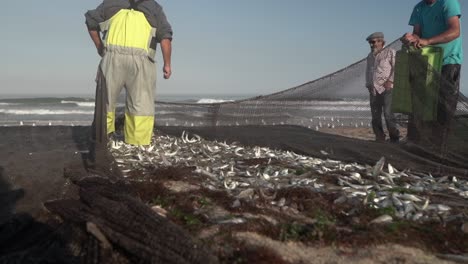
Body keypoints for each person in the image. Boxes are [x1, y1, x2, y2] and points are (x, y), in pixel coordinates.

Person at [85, 0, 173, 146]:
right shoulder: (154, 7)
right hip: (142, 62)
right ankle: (137, 144)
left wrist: (99, 47)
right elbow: (165, 38)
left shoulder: (110, 2)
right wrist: (167, 64)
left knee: (105, 102)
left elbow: (91, 22)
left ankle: (103, 141)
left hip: (113, 59)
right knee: (141, 106)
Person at [402, 0, 462, 152]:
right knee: (422, 104)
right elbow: (418, 33)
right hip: (427, 61)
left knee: (444, 107)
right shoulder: (418, 8)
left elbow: (455, 31)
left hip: (448, 61)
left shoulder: (448, 2)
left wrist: (427, 41)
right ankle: (421, 144)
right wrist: (412, 39)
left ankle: (441, 149)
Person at [365, 32, 400, 143]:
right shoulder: (370, 56)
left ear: (381, 42)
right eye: (370, 43)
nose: (372, 45)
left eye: (374, 42)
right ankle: (379, 137)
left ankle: (394, 138)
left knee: (388, 114)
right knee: (375, 116)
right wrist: (368, 84)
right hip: (373, 90)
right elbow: (368, 71)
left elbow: (397, 68)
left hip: (387, 89)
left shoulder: (390, 52)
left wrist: (390, 81)